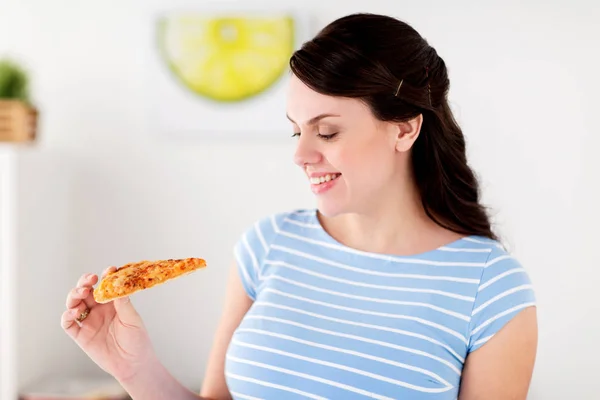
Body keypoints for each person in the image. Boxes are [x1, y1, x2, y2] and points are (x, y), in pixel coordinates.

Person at [61, 12, 538, 400]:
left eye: (327, 132)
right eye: (297, 129)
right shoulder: (268, 246)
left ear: (405, 129)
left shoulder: (489, 289)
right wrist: (134, 367)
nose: (301, 154)